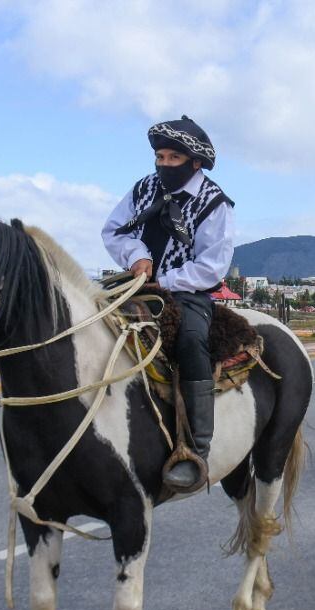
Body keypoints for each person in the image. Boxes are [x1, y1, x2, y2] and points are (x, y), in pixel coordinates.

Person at [101, 115, 233, 491]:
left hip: (187, 292)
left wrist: (164, 279)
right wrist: (136, 255)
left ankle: (196, 449)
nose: (163, 164)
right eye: (159, 156)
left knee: (191, 341)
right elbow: (113, 230)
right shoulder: (144, 188)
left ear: (194, 162)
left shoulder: (214, 202)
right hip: (136, 282)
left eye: (173, 158)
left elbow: (212, 266)